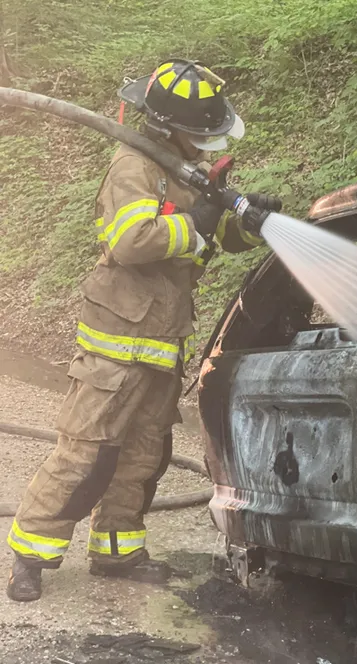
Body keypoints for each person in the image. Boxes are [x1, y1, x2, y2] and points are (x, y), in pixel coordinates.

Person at [6, 58, 281, 601]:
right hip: (116, 338)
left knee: (143, 454)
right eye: (199, 134)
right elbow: (131, 242)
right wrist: (195, 223)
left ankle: (118, 550)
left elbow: (216, 236)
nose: (206, 144)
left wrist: (247, 226)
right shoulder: (132, 168)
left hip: (162, 336)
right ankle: (30, 555)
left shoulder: (185, 169)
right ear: (167, 126)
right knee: (86, 451)